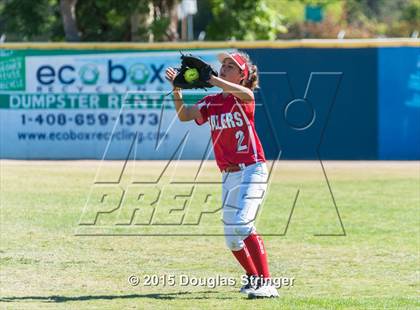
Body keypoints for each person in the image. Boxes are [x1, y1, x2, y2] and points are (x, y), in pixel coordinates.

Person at [165, 51, 278, 298]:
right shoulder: (213, 102)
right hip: (228, 176)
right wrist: (176, 90)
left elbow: (248, 94)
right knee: (232, 239)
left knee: (243, 224)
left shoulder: (242, 98)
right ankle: (252, 277)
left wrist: (212, 78)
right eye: (222, 65)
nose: (224, 68)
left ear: (242, 75)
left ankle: (267, 283)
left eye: (230, 66)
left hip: (251, 168)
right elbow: (184, 115)